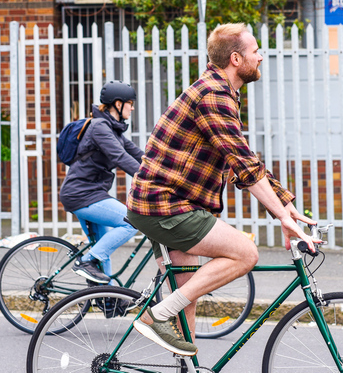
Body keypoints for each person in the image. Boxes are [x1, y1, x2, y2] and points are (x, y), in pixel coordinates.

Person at [126, 23, 318, 356]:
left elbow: (240, 161)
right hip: (166, 207)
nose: (261, 57)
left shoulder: (220, 91)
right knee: (245, 253)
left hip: (171, 204)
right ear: (235, 58)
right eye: (255, 51)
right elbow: (243, 163)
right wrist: (281, 217)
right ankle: (154, 315)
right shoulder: (213, 95)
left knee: (186, 310)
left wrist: (285, 206)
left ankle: (183, 358)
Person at [59, 81, 143, 284]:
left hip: (91, 193)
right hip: (82, 194)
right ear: (117, 104)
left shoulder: (114, 131)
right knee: (132, 221)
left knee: (101, 251)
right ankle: (86, 261)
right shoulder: (100, 127)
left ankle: (108, 299)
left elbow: (140, 155)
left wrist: (167, 172)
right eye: (129, 103)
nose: (132, 108)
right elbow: (120, 158)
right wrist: (147, 180)